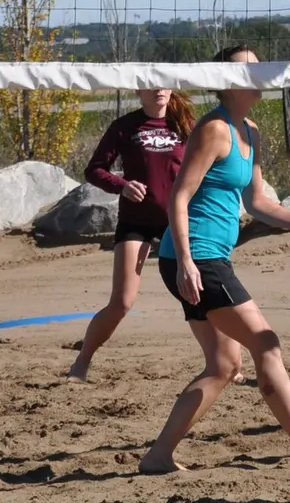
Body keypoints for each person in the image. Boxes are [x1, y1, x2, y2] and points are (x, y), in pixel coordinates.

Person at [139, 46, 290, 475]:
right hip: (196, 256)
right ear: (227, 79)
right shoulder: (214, 129)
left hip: (204, 258)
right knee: (266, 344)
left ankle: (158, 456)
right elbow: (178, 197)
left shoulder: (249, 130)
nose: (257, 71)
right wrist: (185, 261)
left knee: (223, 366)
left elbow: (257, 203)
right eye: (247, 66)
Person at [67, 87, 195, 380]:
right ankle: (82, 362)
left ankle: (229, 362)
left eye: (165, 83)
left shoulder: (185, 124)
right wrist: (122, 185)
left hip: (177, 220)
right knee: (122, 301)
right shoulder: (124, 126)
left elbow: (205, 166)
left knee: (199, 292)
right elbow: (95, 170)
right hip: (136, 221)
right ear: (139, 88)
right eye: (152, 84)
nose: (160, 90)